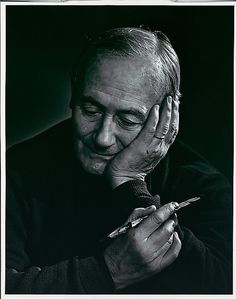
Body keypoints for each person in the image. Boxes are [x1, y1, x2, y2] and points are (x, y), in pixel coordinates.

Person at [6, 27, 232, 294]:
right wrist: (107, 272)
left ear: (167, 118)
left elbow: (221, 287)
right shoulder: (16, 171)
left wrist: (130, 185)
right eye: (90, 110)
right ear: (73, 94)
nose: (102, 138)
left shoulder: (206, 188)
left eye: (128, 120)